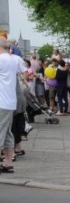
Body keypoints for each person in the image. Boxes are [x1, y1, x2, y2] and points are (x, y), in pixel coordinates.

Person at [0, 37, 26, 174]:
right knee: (8, 134)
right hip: (10, 102)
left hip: (1, 102)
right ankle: (8, 163)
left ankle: (7, 162)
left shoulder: (1, 59)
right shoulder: (12, 59)